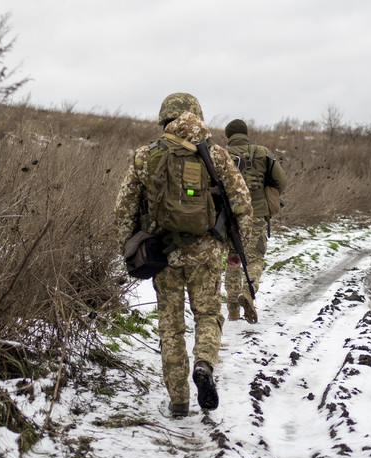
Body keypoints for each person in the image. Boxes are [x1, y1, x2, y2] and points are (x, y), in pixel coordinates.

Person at [114, 93, 253, 417]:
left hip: (162, 255)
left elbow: (122, 211)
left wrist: (129, 252)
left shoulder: (144, 156)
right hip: (205, 254)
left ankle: (178, 400)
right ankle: (204, 363)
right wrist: (236, 249)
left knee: (170, 327)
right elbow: (242, 204)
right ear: (198, 116)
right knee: (207, 315)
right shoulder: (216, 155)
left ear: (165, 119)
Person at [223, 119, 287, 324]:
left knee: (232, 259)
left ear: (228, 136)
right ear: (246, 134)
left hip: (228, 215)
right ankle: (247, 291)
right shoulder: (262, 152)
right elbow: (282, 181)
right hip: (257, 213)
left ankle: (232, 309)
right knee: (255, 257)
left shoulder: (220, 153)